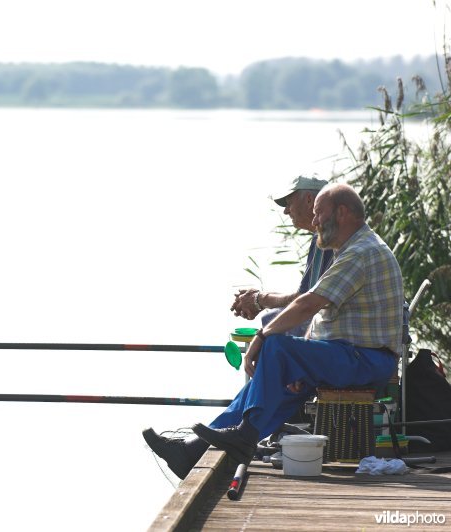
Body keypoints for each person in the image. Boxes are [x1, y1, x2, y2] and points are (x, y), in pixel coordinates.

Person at [144, 184, 403, 479]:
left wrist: (262, 336)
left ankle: (243, 436)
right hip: (350, 357)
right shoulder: (351, 250)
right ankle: (196, 449)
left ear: (342, 213)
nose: (314, 221)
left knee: (277, 346)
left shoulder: (361, 252)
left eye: (319, 214)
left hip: (368, 361)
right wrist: (300, 362)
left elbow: (309, 303)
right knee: (273, 380)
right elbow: (321, 317)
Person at [231, 175, 334, 336]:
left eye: (289, 203)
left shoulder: (329, 235)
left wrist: (260, 299)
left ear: (308, 200)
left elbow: (304, 300)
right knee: (274, 319)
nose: (286, 211)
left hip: (344, 340)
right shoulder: (324, 234)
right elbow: (304, 296)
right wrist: (259, 300)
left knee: (272, 322)